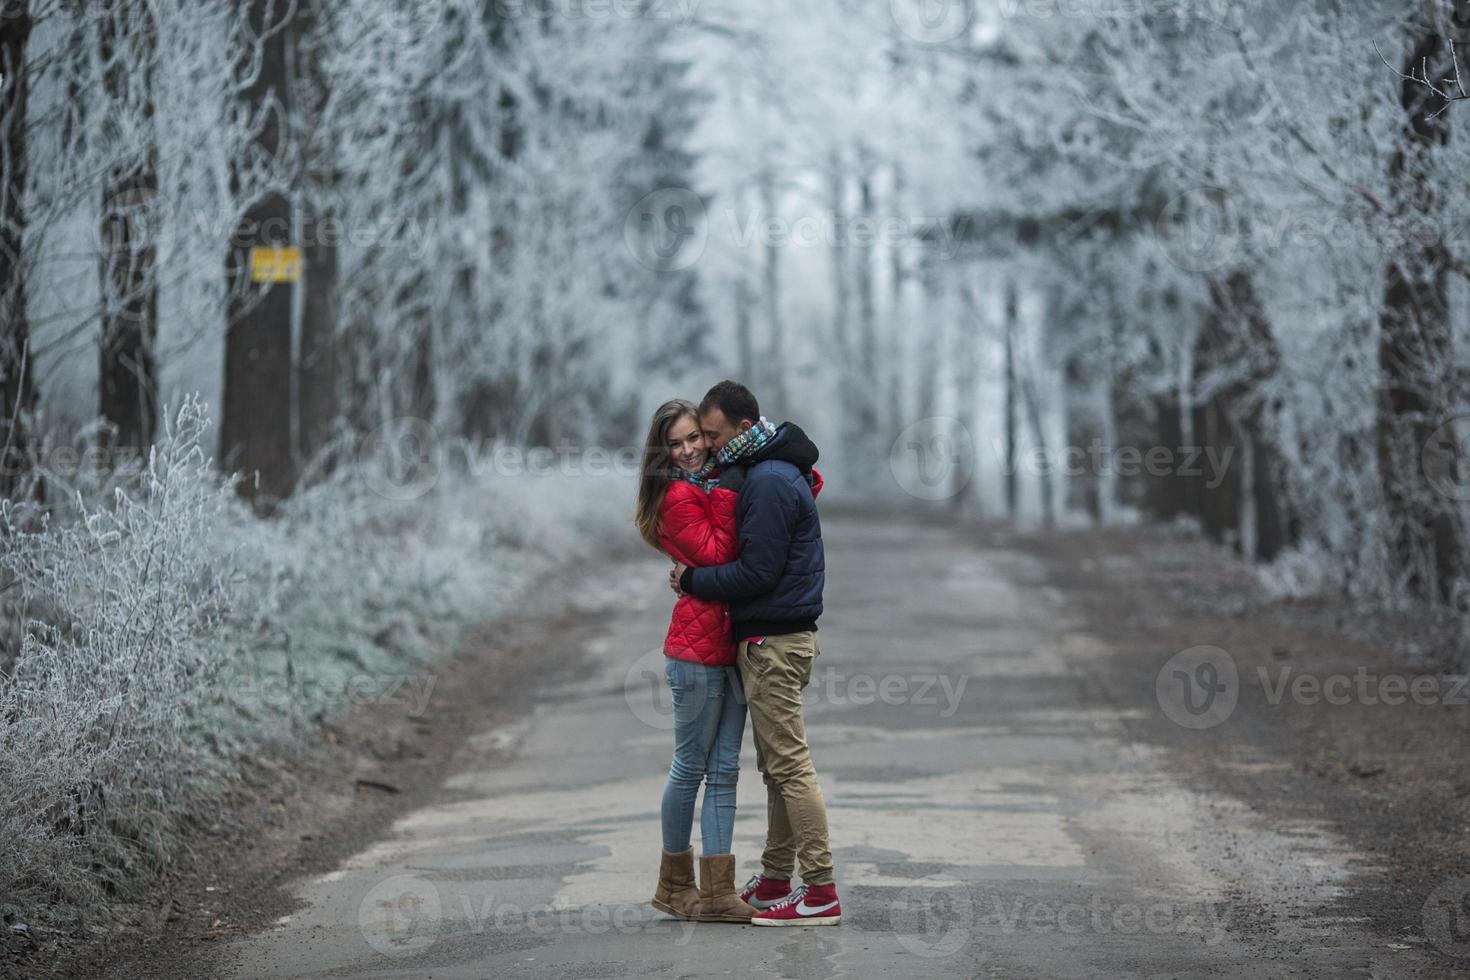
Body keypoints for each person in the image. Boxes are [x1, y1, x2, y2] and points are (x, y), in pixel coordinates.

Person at [670, 380, 841, 927]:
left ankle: (819, 891)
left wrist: (693, 578)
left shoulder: (766, 481)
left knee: (789, 767)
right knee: (776, 769)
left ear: (744, 429)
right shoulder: (766, 470)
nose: (711, 447)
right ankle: (774, 879)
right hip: (778, 637)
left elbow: (757, 572)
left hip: (773, 641)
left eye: (714, 436)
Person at [633, 399, 754, 923]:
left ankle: (719, 892)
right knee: (691, 767)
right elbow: (721, 556)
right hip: (696, 654)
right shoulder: (678, 495)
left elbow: (803, 490)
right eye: (675, 444)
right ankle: (674, 882)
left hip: (732, 645)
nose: (686, 451)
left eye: (693, 439)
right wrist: (732, 487)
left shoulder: (714, 480)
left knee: (725, 769)